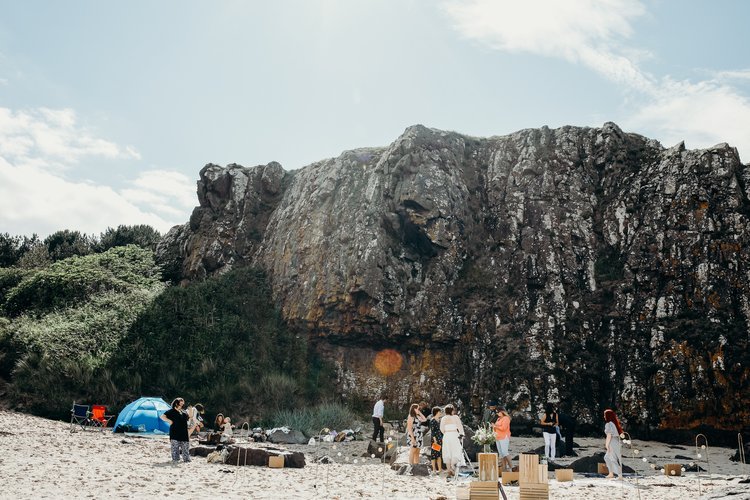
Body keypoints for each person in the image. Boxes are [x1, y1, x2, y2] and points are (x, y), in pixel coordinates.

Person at [160, 397, 190, 463]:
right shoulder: (171, 411)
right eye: (181, 402)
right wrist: (169, 420)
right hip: (174, 432)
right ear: (176, 403)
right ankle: (175, 459)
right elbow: (162, 416)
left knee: (185, 447)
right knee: (175, 448)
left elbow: (188, 419)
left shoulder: (184, 412)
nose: (182, 403)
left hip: (184, 432)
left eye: (183, 402)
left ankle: (186, 459)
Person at [440, 404, 466, 477]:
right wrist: (461, 434)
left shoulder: (443, 418)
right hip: (454, 435)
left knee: (447, 451)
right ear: (452, 410)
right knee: (455, 450)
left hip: (447, 435)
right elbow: (460, 427)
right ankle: (452, 467)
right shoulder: (456, 417)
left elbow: (441, 429)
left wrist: (446, 433)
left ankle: (449, 470)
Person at [603, 408, 623, 479]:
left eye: (605, 415)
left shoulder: (608, 424)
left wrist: (607, 444)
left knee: (612, 458)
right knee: (607, 457)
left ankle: (619, 475)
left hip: (612, 441)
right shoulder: (614, 424)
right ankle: (611, 473)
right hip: (616, 441)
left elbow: (609, 435)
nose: (604, 416)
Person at [493, 405, 512, 471]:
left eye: (498, 412)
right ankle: (504, 469)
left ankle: (511, 467)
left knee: (505, 452)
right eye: (496, 412)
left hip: (504, 437)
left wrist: (495, 426)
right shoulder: (499, 419)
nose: (497, 414)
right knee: (501, 454)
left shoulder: (506, 418)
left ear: (502, 412)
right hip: (498, 437)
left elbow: (503, 428)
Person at [429, 407, 443, 473]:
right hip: (435, 439)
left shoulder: (440, 420)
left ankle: (440, 469)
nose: (440, 413)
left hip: (440, 438)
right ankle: (434, 469)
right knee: (434, 454)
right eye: (439, 412)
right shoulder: (432, 420)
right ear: (436, 412)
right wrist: (435, 440)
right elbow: (432, 431)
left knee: (439, 454)